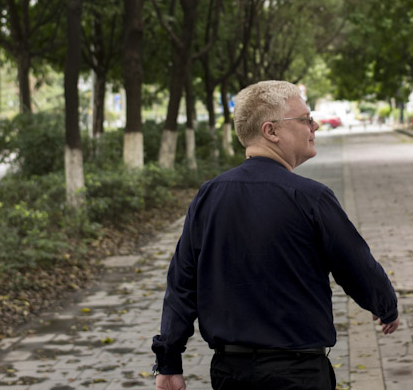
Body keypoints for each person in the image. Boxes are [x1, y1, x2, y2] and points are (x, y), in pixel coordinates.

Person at [151, 80, 399, 390]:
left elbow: (182, 283)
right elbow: (356, 264)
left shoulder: (208, 196)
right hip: (298, 374)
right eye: (305, 119)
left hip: (230, 375)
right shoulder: (311, 197)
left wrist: (169, 361)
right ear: (271, 131)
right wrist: (384, 304)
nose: (316, 125)